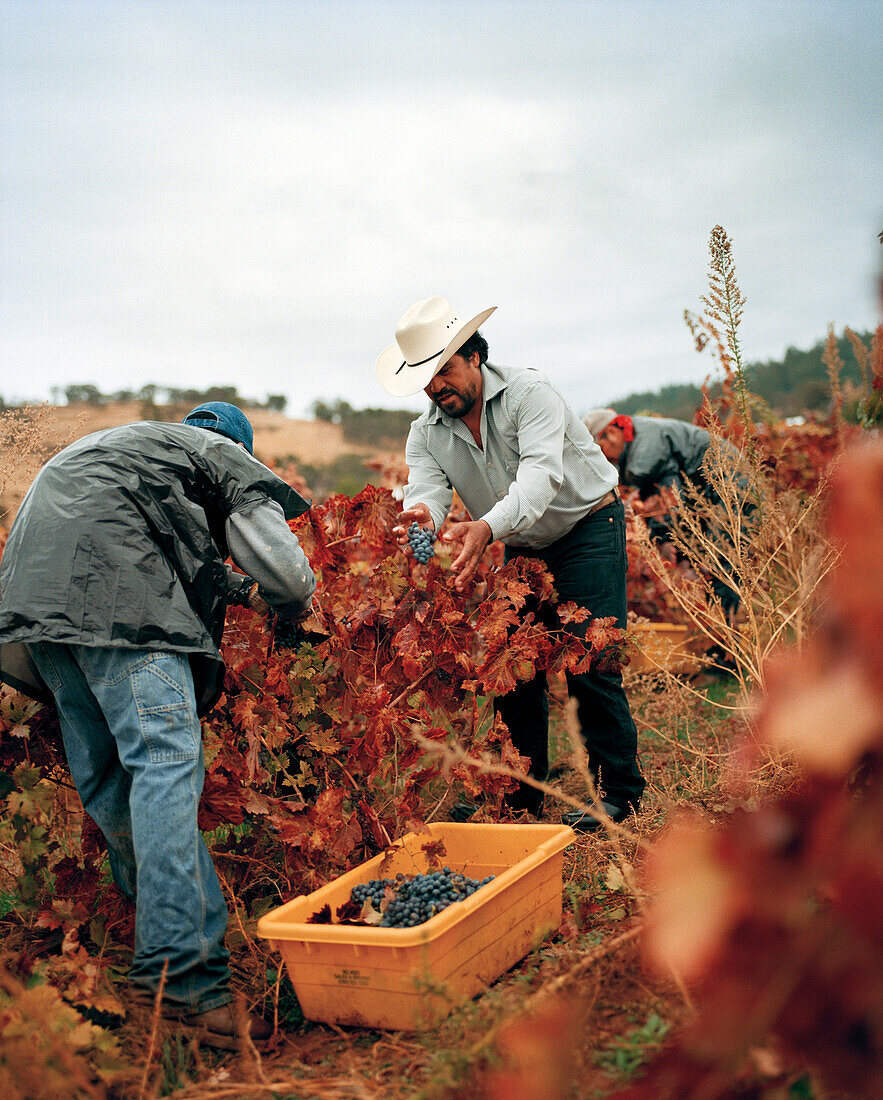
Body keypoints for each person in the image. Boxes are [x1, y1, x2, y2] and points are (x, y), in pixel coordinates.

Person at [0, 402, 316, 1048]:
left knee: (116, 783)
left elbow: (192, 563)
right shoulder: (219, 457)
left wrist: (241, 593)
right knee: (165, 771)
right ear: (238, 452)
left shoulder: (130, 450)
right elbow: (287, 574)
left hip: (36, 602)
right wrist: (293, 607)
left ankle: (166, 957)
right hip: (116, 600)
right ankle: (185, 986)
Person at [375, 296, 646, 832]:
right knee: (513, 665)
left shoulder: (530, 394)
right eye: (425, 379)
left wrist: (485, 528)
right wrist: (421, 519)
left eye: (444, 370)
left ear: (474, 356)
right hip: (522, 543)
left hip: (587, 526)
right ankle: (520, 793)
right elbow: (426, 493)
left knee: (591, 657)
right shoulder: (425, 432)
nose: (436, 387)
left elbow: (540, 480)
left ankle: (620, 792)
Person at [583, 408, 747, 619]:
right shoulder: (639, 439)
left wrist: (665, 544)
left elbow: (670, 503)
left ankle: (725, 640)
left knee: (722, 563)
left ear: (612, 432)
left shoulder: (644, 456)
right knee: (710, 560)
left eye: (600, 448)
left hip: (733, 486)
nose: (603, 456)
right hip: (714, 490)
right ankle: (718, 632)